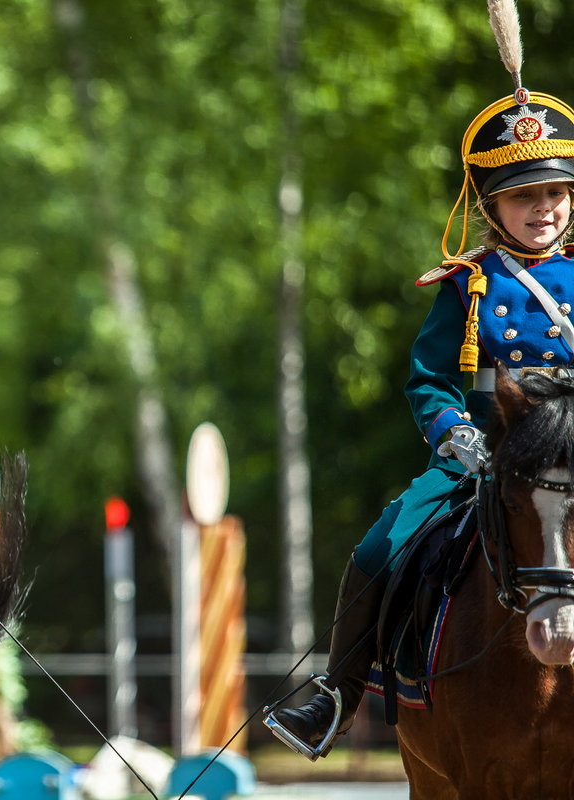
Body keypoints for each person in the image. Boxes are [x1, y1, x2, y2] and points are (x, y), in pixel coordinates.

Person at [266, 1, 574, 759]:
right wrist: (460, 439)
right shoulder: (466, 285)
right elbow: (429, 381)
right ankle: (334, 699)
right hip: (486, 455)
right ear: (489, 203)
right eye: (525, 195)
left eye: (556, 193)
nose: (545, 209)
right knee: (380, 546)